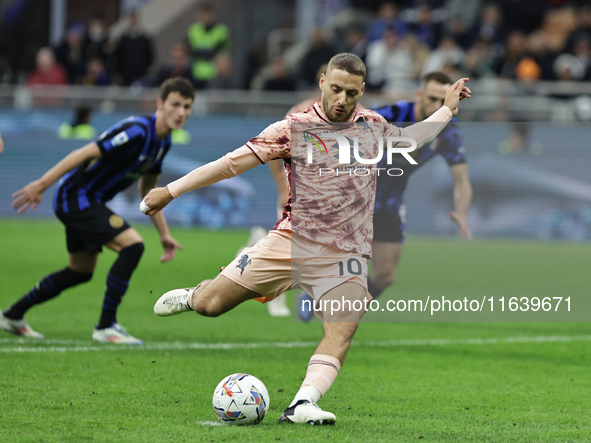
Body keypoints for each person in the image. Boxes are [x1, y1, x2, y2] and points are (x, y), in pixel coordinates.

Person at [141, 53, 470, 424]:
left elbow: (410, 139)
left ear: (362, 90)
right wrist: (170, 190)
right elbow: (230, 163)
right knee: (211, 306)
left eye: (350, 92)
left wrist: (446, 111)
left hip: (345, 254)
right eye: (335, 89)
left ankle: (302, 404)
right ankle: (194, 295)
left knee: (344, 327)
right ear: (321, 82)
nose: (342, 99)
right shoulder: (292, 129)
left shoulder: (373, 126)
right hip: (290, 244)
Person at [0, 78, 195, 344]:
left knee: (80, 270)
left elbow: (148, 190)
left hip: (89, 201)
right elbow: (83, 153)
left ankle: (12, 315)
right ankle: (106, 327)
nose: (181, 112)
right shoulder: (137, 130)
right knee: (133, 246)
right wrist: (42, 184)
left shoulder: (163, 143)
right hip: (76, 197)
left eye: (187, 106)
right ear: (160, 104)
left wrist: (164, 233)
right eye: (175, 104)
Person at [368, 71, 473, 300]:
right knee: (342, 264)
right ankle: (322, 296)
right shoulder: (389, 114)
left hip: (389, 203)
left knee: (385, 275)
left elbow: (462, 181)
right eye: (432, 99)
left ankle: (340, 312)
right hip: (355, 198)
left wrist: (462, 212)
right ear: (419, 94)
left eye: (442, 100)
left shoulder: (449, 131)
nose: (437, 105)